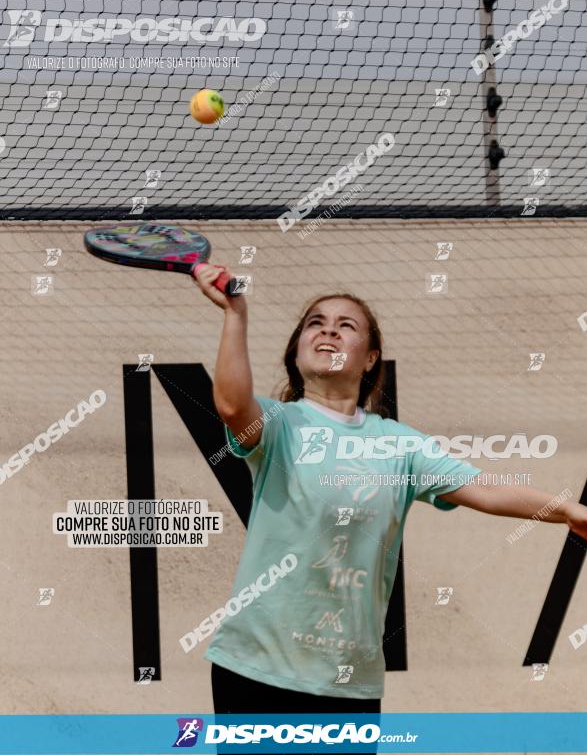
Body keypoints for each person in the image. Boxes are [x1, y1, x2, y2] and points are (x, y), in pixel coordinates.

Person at [193, 266, 587, 731]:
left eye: (347, 325)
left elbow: (485, 487)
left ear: (369, 359)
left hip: (348, 682)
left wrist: (566, 510)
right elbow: (234, 406)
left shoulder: (400, 445)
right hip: (253, 667)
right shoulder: (280, 424)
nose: (329, 331)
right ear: (296, 352)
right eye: (315, 323)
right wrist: (235, 313)